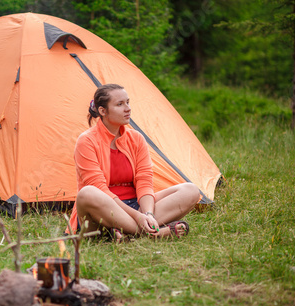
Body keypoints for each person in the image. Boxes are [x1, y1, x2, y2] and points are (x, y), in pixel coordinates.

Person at [67, 83, 200, 240]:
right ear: (103, 111)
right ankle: (152, 233)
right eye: (120, 104)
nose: (127, 108)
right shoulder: (86, 141)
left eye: (128, 102)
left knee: (191, 190)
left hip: (136, 204)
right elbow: (99, 188)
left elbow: (144, 181)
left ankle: (125, 232)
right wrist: (137, 216)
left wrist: (147, 213)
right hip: (103, 208)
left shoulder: (136, 138)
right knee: (87, 193)